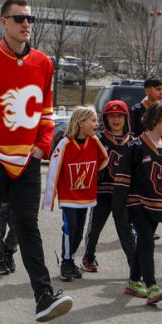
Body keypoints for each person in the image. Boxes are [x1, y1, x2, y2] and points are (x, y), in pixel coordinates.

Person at [0, 0, 73, 322]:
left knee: (28, 226)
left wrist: (42, 146)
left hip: (27, 161)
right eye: (18, 18)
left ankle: (44, 297)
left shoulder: (43, 63)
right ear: (3, 22)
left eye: (29, 19)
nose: (25, 24)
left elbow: (46, 113)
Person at [124, 103, 162, 305]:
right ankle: (151, 286)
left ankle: (133, 282)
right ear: (157, 122)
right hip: (136, 203)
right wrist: (118, 209)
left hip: (157, 204)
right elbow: (122, 179)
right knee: (148, 241)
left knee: (143, 243)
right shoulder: (135, 146)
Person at [42, 106, 108, 281]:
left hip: (87, 196)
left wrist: (95, 176)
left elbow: (104, 159)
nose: (97, 124)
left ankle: (70, 259)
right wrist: (50, 198)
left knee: (79, 231)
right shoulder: (65, 143)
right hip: (69, 196)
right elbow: (54, 170)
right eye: (93, 120)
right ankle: (65, 261)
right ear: (81, 123)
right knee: (70, 227)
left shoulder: (94, 142)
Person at [80, 100, 138, 291]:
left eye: (119, 116)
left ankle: (134, 266)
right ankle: (88, 255)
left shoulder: (134, 141)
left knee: (126, 230)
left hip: (124, 195)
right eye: (111, 116)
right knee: (95, 227)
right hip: (102, 192)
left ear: (125, 118)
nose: (116, 120)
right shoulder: (97, 140)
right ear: (105, 119)